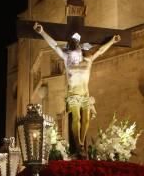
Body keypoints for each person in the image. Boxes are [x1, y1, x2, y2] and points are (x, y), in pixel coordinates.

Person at [33, 22, 120, 154]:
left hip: (85, 94)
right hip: (73, 94)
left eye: (76, 54)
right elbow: (55, 46)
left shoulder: (88, 60)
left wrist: (112, 41)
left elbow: (101, 50)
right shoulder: (67, 59)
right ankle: (78, 143)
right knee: (77, 118)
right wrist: (42, 32)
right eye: (72, 54)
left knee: (86, 119)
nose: (74, 57)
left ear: (80, 52)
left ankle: (81, 142)